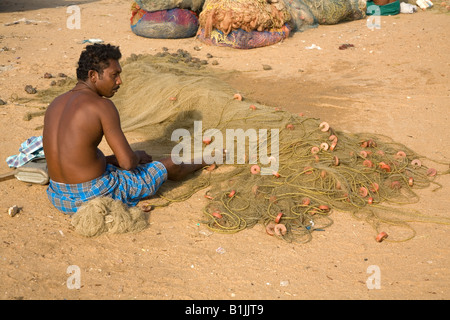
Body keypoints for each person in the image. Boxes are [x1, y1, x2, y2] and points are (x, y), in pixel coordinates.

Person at [43, 43, 207, 214]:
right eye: (114, 75)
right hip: (91, 198)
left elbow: (77, 155)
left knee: (112, 162)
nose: (119, 81)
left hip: (58, 196)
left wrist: (112, 159)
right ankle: (208, 159)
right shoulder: (102, 106)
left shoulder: (56, 103)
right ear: (93, 75)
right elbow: (128, 164)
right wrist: (136, 156)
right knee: (171, 163)